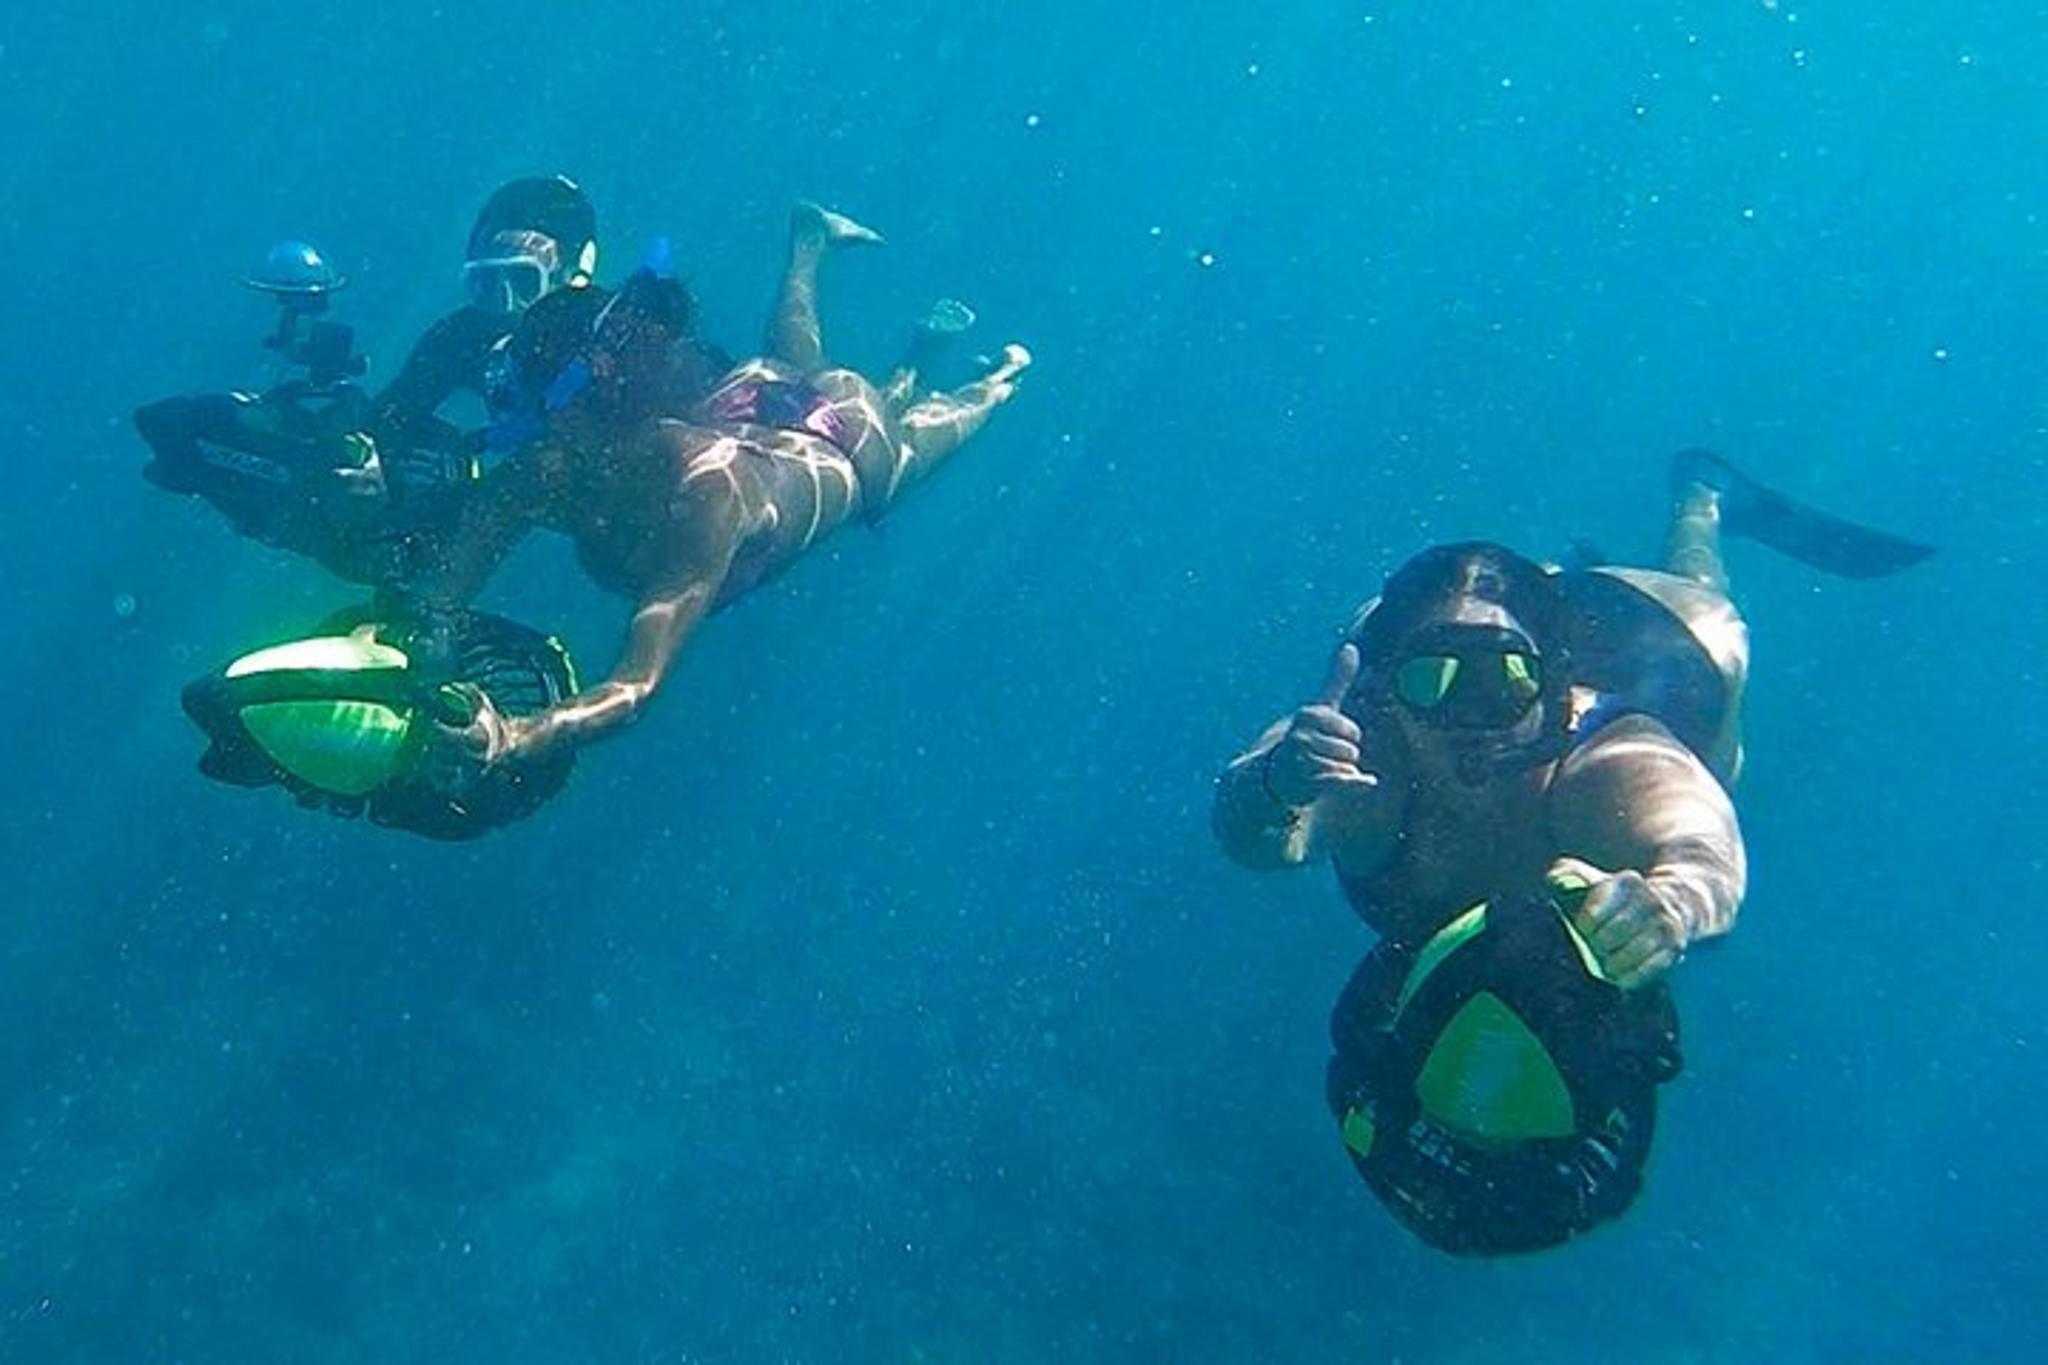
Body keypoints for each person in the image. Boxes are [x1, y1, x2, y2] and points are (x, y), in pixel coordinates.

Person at [1211, 450, 1934, 1251]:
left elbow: (1702, 846)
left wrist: (1670, 906)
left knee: (1709, 613)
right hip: (1500, 633)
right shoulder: (1361, 760)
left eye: (1505, 681)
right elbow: (1256, 832)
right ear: (1387, 694)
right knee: (1457, 606)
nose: (1471, 719)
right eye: (1433, 683)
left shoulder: (1608, 763)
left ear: (1551, 690)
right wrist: (1272, 785)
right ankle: (1529, 592)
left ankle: (1703, 501)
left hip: (1662, 638)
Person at [415, 202, 1031, 786]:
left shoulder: (709, 496)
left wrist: (517, 736)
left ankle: (997, 376)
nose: (548, 436)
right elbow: (463, 561)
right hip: (748, 409)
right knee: (793, 359)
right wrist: (432, 629)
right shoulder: (554, 460)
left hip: (842, 449)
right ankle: (812, 245)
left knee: (902, 455)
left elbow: (637, 685)